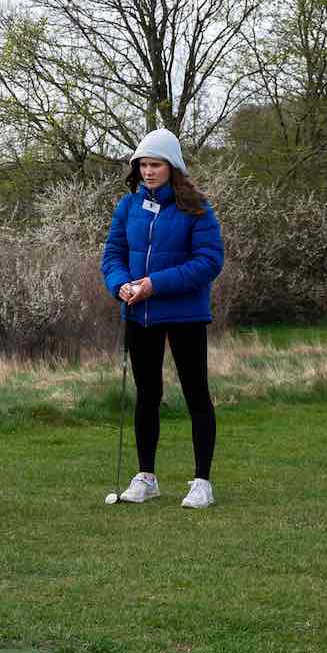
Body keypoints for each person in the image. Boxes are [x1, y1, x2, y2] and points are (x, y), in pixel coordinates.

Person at [100, 129, 225, 509]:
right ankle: (146, 476)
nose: (148, 171)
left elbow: (208, 262)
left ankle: (202, 481)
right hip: (140, 315)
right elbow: (113, 256)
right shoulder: (128, 206)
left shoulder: (198, 208)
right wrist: (121, 285)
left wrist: (155, 284)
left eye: (155, 165)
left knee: (196, 395)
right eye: (143, 165)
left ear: (173, 167)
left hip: (185, 314)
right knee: (147, 396)